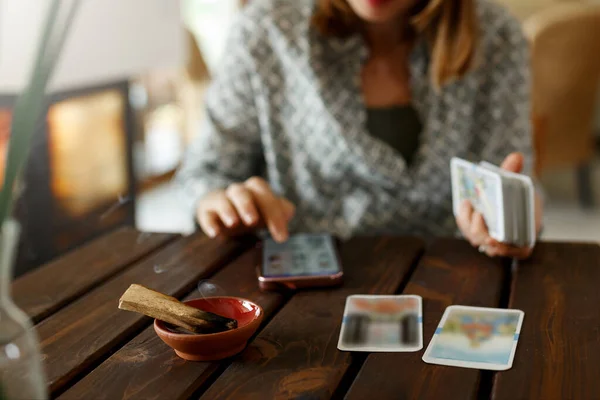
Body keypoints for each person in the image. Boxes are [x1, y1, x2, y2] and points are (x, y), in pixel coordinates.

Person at [175, 0, 543, 259]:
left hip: (458, 272)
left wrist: (518, 223)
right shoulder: (266, 31)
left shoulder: (496, 35)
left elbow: (517, 183)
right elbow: (205, 173)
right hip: (307, 279)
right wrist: (222, 202)